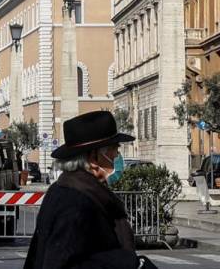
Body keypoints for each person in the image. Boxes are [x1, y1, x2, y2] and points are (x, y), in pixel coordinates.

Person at [24, 111, 156, 269]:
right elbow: (64, 262)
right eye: (114, 150)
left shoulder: (69, 189)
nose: (117, 156)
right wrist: (130, 264)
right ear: (94, 159)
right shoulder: (75, 203)